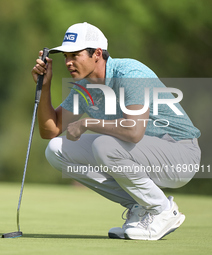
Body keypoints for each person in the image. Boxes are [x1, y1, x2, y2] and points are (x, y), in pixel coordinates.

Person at [31, 22, 201, 240]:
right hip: (143, 153)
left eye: (75, 55)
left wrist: (87, 124)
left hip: (180, 153)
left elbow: (133, 132)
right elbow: (50, 131)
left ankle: (162, 210)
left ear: (97, 54)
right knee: (56, 149)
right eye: (65, 57)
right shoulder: (84, 88)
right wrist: (44, 87)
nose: (68, 62)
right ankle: (141, 207)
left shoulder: (130, 72)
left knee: (104, 145)